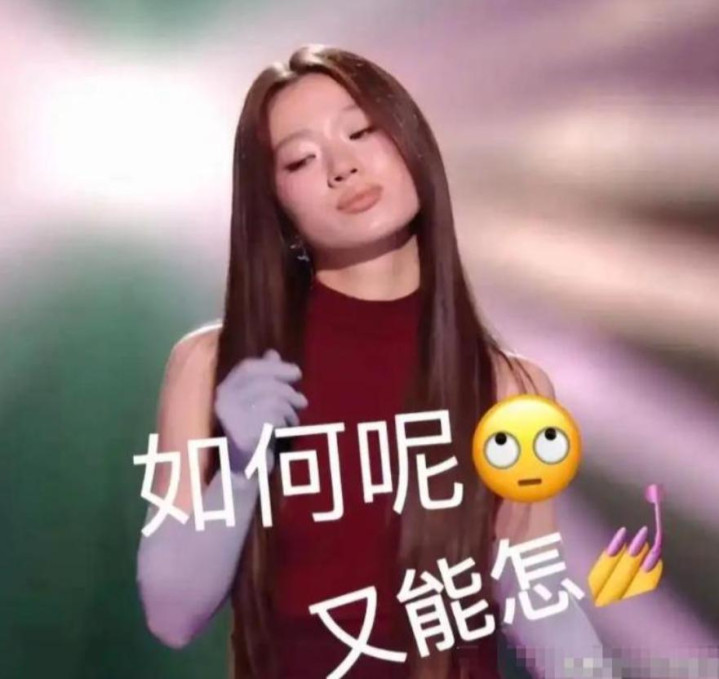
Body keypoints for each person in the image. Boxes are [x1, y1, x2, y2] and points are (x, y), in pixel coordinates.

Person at [136, 44, 607, 679]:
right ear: (276, 206)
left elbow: (539, 599)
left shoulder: (509, 387)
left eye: (361, 132)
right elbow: (170, 614)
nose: (343, 167)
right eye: (301, 159)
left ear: (412, 142)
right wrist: (241, 473)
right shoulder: (216, 366)